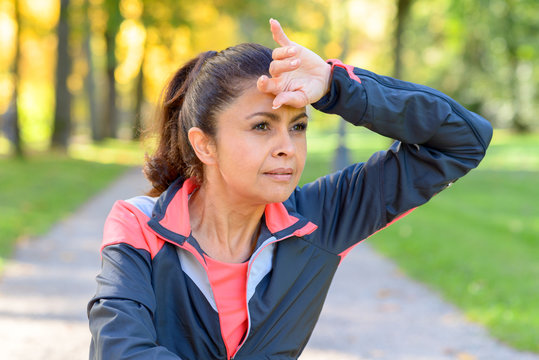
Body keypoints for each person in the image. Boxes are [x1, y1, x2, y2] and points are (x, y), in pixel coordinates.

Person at [88, 19, 493, 360]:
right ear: (204, 144)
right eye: (262, 126)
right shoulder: (142, 225)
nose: (287, 147)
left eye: (297, 127)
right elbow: (123, 350)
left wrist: (336, 86)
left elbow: (463, 140)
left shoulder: (322, 219)